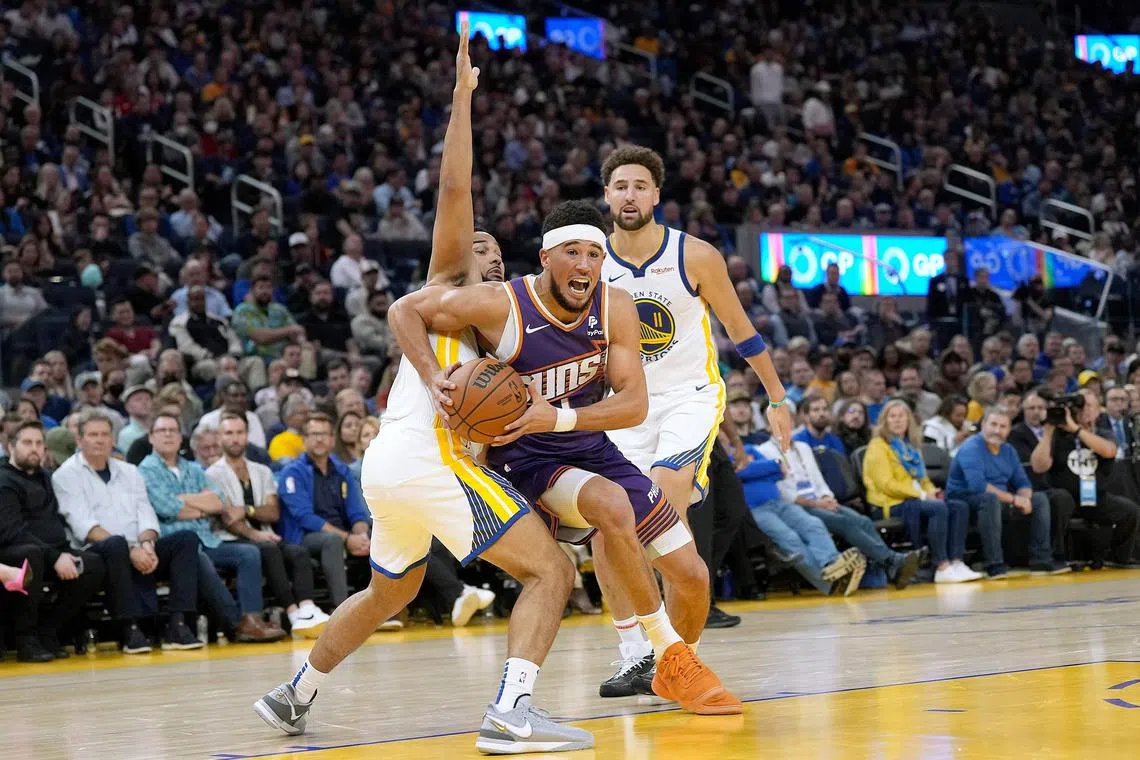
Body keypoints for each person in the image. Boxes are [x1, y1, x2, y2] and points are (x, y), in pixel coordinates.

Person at [256, 34, 594, 752]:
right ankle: (511, 712)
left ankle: (295, 694)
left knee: (393, 591)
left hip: (393, 469)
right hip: (425, 459)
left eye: (499, 258)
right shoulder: (445, 286)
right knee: (551, 571)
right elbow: (454, 190)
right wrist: (463, 102)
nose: (489, 258)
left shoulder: (503, 330)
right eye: (480, 249)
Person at [391, 198, 741, 715]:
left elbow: (634, 404)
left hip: (585, 442)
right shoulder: (502, 304)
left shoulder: (615, 305)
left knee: (691, 575)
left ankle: (670, 668)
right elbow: (405, 310)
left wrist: (557, 417)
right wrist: (431, 375)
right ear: (546, 257)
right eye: (572, 252)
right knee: (612, 506)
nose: (585, 265)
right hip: (526, 458)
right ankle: (665, 652)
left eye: (595, 254)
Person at [591, 143, 791, 695]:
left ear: (656, 194)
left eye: (639, 186)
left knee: (662, 497)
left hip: (689, 398)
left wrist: (777, 399)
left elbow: (741, 330)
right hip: (623, 407)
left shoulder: (695, 255)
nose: (629, 195)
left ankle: (676, 651)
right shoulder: (591, 262)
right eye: (620, 187)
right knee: (607, 532)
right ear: (606, 196)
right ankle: (638, 652)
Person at [52, 409, 204, 651]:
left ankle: (178, 623)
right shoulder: (65, 476)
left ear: (113, 440)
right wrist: (132, 548)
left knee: (186, 539)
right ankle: (129, 629)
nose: (100, 439)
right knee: (116, 545)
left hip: (139, 548)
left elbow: (146, 514)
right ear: (79, 440)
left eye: (105, 434)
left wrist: (147, 544)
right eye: (93, 435)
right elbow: (85, 526)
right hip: (98, 551)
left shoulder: (130, 472)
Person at [139, 413, 286, 643]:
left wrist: (185, 501)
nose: (168, 435)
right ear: (151, 438)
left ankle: (252, 618)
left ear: (181, 438)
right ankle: (235, 623)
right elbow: (166, 508)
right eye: (162, 430)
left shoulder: (192, 468)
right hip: (176, 547)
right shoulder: (145, 470)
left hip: (208, 539)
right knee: (199, 558)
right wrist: (201, 505)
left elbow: (219, 502)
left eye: (173, 430)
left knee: (249, 553)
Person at [206, 413, 330, 637]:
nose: (235, 438)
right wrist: (254, 533)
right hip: (232, 538)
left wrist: (246, 510)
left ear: (247, 436)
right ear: (220, 437)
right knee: (268, 550)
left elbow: (273, 512)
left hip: (266, 533)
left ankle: (308, 609)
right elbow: (226, 518)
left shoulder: (261, 470)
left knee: (298, 553)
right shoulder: (212, 474)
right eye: (229, 433)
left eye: (240, 433)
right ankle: (293, 615)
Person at [0, 421, 108, 661]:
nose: (35, 449)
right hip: (14, 553)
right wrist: (55, 556)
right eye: (27, 443)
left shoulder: (47, 478)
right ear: (10, 447)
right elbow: (12, 532)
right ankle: (25, 641)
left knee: (93, 565)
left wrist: (63, 552)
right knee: (31, 556)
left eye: (39, 443)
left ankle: (49, 631)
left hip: (52, 549)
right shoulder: (4, 481)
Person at [759, 434, 921, 588]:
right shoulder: (765, 451)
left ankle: (889, 566)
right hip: (798, 506)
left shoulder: (803, 447)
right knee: (844, 522)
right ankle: (890, 560)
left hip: (820, 500)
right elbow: (783, 494)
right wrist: (817, 504)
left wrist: (828, 497)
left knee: (862, 520)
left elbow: (817, 480)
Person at [863, 400, 981, 584]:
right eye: (892, 416)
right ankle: (941, 565)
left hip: (916, 498)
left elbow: (923, 480)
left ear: (909, 420)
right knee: (938, 509)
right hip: (890, 503)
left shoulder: (911, 446)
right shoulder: (878, 446)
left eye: (901, 416)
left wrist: (932, 492)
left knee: (958, 506)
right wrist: (922, 495)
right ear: (884, 421)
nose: (897, 420)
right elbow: (886, 484)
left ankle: (957, 562)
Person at [945, 409, 1070, 576]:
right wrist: (1013, 499)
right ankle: (994, 563)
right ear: (983, 425)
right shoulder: (971, 447)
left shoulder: (1008, 450)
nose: (997, 430)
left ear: (1009, 430)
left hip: (998, 499)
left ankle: (1041, 559)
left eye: (1003, 426)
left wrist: (1025, 498)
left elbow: (1022, 482)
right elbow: (978, 485)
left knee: (1039, 498)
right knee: (989, 500)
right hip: (965, 499)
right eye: (993, 425)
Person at [736, 440, 866, 595]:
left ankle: (833, 564)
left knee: (813, 524)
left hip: (779, 502)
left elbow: (782, 472)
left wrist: (759, 470)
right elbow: (741, 471)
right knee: (790, 538)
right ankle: (830, 585)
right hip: (756, 510)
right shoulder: (719, 454)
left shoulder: (749, 448)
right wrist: (772, 465)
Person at [1028, 388, 1140, 567]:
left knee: (1130, 511)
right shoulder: (1058, 435)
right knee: (1060, 499)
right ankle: (1057, 556)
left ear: (1098, 410)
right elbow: (1038, 466)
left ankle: (1118, 558)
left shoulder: (1103, 432)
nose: (1085, 410)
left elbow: (1109, 451)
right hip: (1065, 496)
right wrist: (1048, 432)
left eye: (1090, 405)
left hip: (1094, 497)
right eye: (1080, 405)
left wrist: (1076, 430)